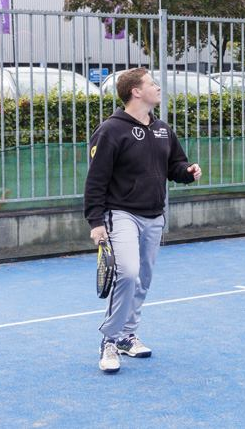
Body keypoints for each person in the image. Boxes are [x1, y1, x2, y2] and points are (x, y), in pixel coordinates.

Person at [85, 67, 202, 373]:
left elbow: (175, 165)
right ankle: (109, 340)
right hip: (121, 213)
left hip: (154, 215)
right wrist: (96, 222)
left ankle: (127, 335)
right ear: (136, 91)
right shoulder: (111, 131)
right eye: (152, 83)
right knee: (127, 273)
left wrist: (187, 172)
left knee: (143, 279)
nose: (158, 87)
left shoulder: (162, 129)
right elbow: (96, 179)